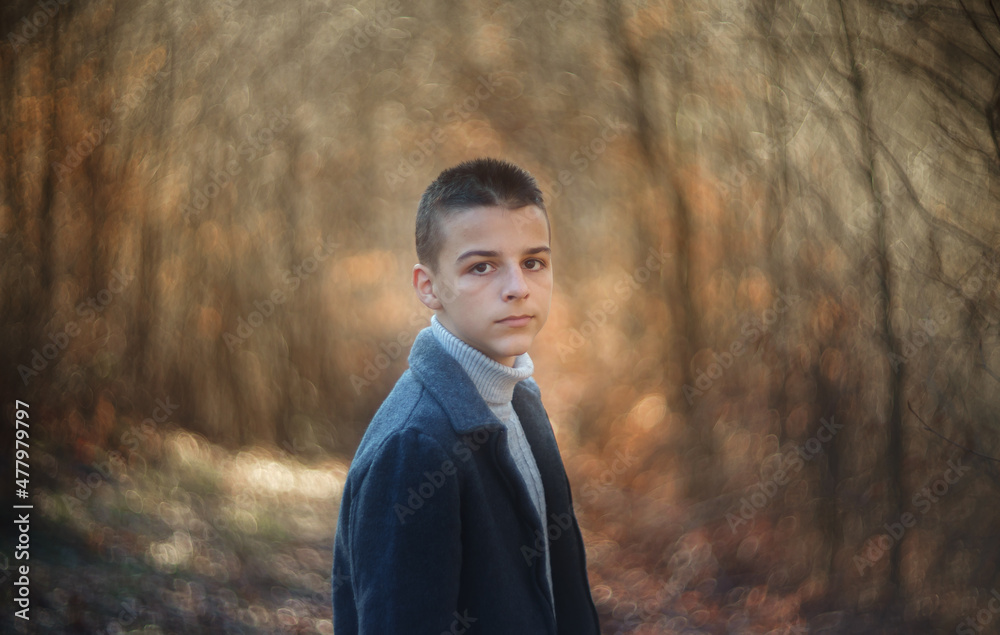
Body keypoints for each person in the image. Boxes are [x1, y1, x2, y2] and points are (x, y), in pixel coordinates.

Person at [332, 157, 601, 634]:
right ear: (429, 287)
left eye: (533, 262)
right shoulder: (416, 448)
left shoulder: (521, 401)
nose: (517, 288)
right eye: (482, 267)